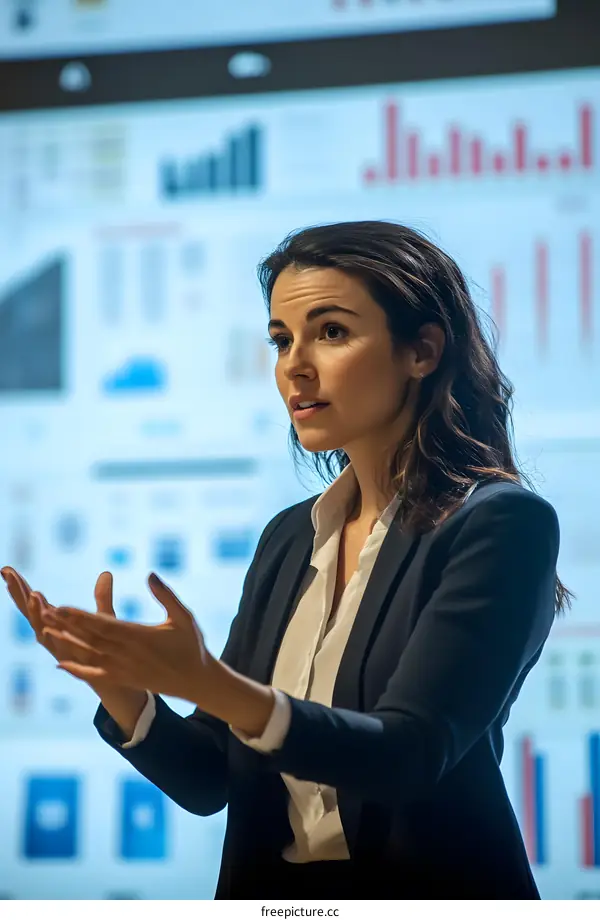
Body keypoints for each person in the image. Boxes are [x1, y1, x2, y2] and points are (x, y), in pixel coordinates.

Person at [3, 220, 573, 900]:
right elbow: (211, 780)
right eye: (281, 339)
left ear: (422, 351)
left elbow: (409, 755)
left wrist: (212, 684)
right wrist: (126, 690)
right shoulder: (288, 539)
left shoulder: (501, 523)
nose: (294, 365)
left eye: (331, 332)